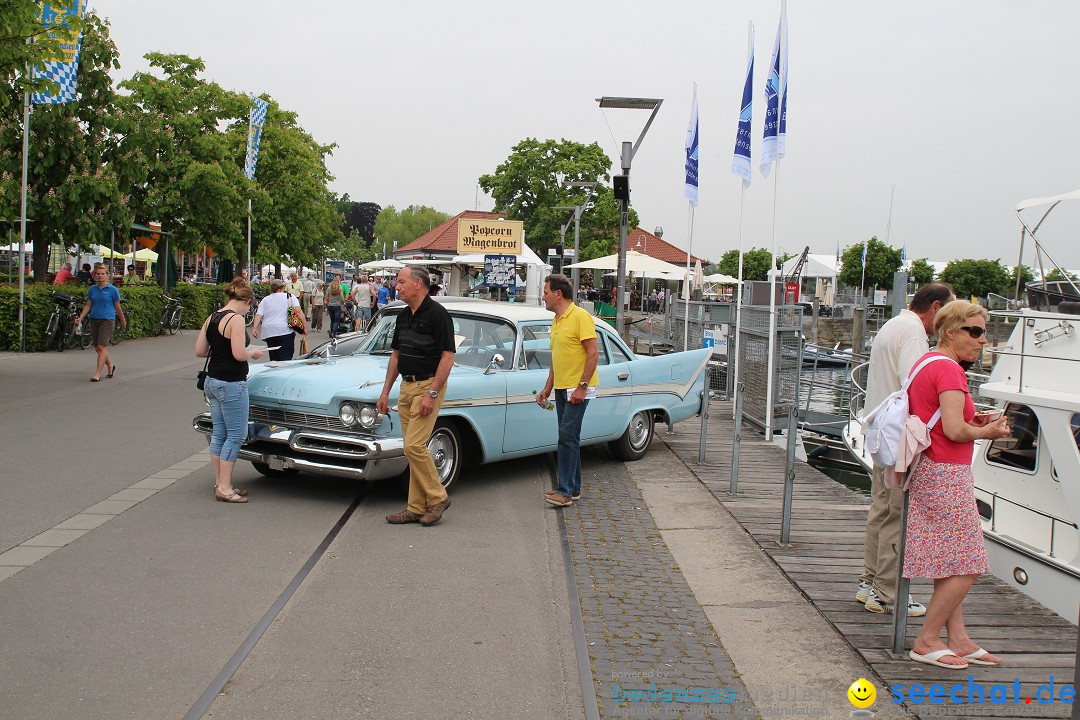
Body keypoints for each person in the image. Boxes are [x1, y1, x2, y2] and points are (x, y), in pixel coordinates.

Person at [904, 300, 1011, 669]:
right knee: (968, 563)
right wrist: (989, 430)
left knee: (950, 561)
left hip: (930, 469)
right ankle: (927, 639)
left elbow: (940, 419)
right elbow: (954, 430)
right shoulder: (950, 371)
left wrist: (975, 420)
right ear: (952, 331)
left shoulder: (927, 362)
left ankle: (959, 638)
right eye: (976, 331)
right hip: (945, 473)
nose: (983, 340)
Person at [856, 283, 955, 616]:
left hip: (879, 431)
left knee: (881, 509)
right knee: (897, 514)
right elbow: (915, 385)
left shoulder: (893, 325)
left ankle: (869, 582)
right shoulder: (914, 334)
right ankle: (887, 592)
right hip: (898, 438)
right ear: (935, 306)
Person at [378, 265, 456, 527]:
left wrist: (432, 393)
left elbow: (448, 357)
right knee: (413, 449)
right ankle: (415, 507)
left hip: (427, 387)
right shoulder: (403, 315)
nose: (396, 286)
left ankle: (437, 497)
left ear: (418, 284)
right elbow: (396, 356)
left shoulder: (438, 315)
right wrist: (385, 391)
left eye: (400, 282)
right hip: (406, 386)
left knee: (413, 446)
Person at [195, 278, 264, 503]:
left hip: (212, 381)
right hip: (231, 382)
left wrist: (221, 349)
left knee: (219, 434)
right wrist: (252, 353)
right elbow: (238, 354)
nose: (249, 310)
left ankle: (220, 483)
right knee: (236, 435)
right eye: (250, 306)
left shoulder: (212, 317)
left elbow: (200, 351)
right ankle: (225, 488)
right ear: (245, 301)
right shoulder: (235, 319)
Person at [538, 274, 599, 507]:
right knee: (569, 437)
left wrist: (582, 387)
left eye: (545, 292)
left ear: (558, 294)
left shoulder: (580, 317)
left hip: (577, 388)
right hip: (562, 388)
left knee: (566, 437)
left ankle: (564, 492)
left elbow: (593, 353)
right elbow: (557, 357)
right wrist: (547, 387)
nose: (543, 297)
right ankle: (572, 489)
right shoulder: (556, 320)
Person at [74, 266, 126, 382]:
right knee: (98, 348)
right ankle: (110, 366)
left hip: (107, 320)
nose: (100, 276)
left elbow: (117, 306)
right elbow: (88, 305)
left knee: (102, 347)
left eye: (103, 274)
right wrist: (80, 318)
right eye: (98, 274)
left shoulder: (113, 290)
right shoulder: (92, 289)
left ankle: (97, 373)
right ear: (95, 275)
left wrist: (123, 320)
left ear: (107, 275)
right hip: (94, 319)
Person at [252, 278, 306, 361]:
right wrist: (304, 327)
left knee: (274, 357)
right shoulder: (290, 296)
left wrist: (255, 328)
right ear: (283, 287)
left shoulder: (266, 299)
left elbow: (259, 314)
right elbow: (298, 311)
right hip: (285, 331)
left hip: (269, 332)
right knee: (286, 357)